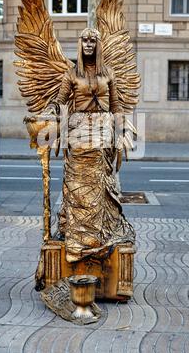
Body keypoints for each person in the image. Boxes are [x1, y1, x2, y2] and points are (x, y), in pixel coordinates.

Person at [44, 28, 135, 263]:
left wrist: (122, 130)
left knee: (100, 186)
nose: (88, 44)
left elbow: (116, 106)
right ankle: (77, 241)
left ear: (98, 44)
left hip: (103, 131)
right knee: (77, 186)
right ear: (79, 43)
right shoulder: (72, 74)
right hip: (79, 131)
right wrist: (49, 112)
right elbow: (60, 100)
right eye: (84, 40)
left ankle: (97, 237)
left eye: (92, 40)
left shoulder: (109, 74)